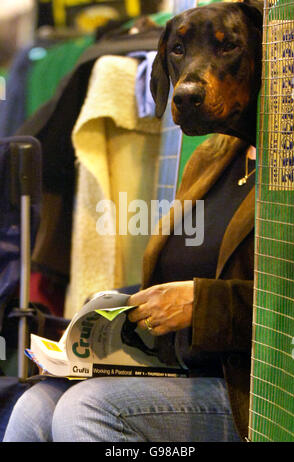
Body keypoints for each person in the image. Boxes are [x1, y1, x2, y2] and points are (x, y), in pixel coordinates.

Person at [3, 133, 255, 442]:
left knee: (86, 407)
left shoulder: (285, 175)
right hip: (179, 365)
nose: (187, 90)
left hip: (249, 387)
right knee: (35, 405)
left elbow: (286, 302)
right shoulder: (214, 157)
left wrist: (203, 304)